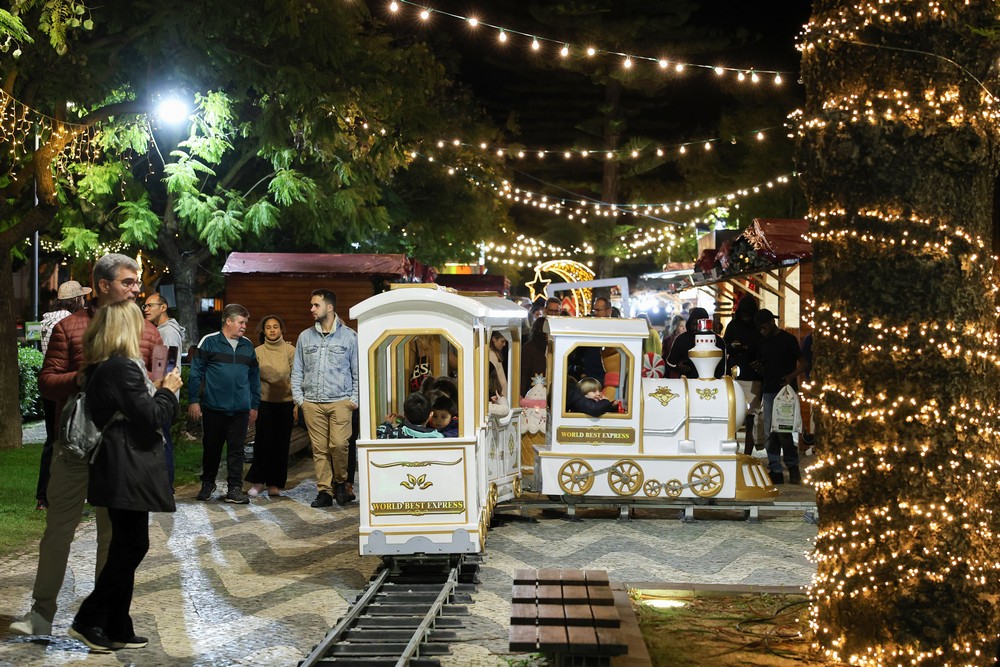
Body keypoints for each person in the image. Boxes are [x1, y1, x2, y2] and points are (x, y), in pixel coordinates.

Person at [11, 254, 161, 638]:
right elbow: (47, 381)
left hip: (120, 452)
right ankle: (41, 613)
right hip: (75, 447)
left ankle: (102, 620)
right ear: (102, 284)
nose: (136, 289)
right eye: (128, 282)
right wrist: (84, 379)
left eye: (136, 282)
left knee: (113, 537)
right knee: (58, 530)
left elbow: (156, 383)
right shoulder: (71, 326)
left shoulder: (147, 332)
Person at [67, 301, 182, 653]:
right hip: (125, 465)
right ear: (124, 329)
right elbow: (151, 416)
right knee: (133, 545)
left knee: (125, 544)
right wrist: (168, 390)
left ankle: (117, 625)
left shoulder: (107, 366)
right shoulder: (121, 368)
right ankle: (89, 618)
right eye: (138, 324)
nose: (145, 331)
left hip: (119, 464)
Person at [292, 289, 360, 508]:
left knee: (339, 445)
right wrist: (300, 400)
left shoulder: (349, 336)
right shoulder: (305, 337)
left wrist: (354, 399)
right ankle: (324, 490)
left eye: (316, 305)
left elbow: (358, 371)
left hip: (341, 401)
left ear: (329, 307)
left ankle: (341, 482)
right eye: (311, 305)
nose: (311, 309)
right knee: (319, 449)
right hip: (312, 402)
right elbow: (297, 371)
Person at [188, 303, 261, 505]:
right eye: (241, 322)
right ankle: (208, 483)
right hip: (214, 408)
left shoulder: (248, 346)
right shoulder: (209, 342)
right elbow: (196, 373)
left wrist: (254, 405)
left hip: (240, 410)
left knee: (237, 450)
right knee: (211, 448)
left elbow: (255, 378)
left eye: (245, 322)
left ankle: (235, 488)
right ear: (228, 321)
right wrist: (194, 400)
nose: (244, 326)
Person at [35, 280, 91, 511]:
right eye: (83, 298)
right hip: (68, 386)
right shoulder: (70, 324)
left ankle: (43, 497)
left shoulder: (46, 321)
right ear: (77, 299)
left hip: (51, 384)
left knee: (52, 441)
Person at [246, 315, 296, 497]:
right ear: (263, 331)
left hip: (286, 404)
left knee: (281, 445)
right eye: (268, 327)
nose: (272, 330)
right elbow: (253, 378)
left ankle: (275, 483)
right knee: (262, 442)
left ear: (281, 329)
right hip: (264, 403)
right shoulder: (257, 351)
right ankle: (258, 481)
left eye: (276, 326)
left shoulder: (291, 350)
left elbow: (296, 376)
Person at [751, 309, 803, 484]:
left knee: (784, 431)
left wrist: (790, 376)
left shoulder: (788, 339)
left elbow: (804, 363)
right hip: (769, 390)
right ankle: (775, 470)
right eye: (758, 327)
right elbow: (764, 367)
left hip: (786, 392)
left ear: (772, 322)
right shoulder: (762, 342)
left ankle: (793, 467)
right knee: (770, 432)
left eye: (763, 325)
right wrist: (759, 369)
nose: (761, 329)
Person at [142, 293, 186, 490]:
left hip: (163, 395)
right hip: (163, 394)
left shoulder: (167, 333)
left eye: (151, 305)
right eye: (145, 305)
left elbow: (167, 366)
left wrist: (161, 392)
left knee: (162, 440)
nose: (146, 309)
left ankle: (165, 487)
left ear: (164, 307)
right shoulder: (161, 330)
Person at [724, 296, 763, 454]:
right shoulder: (733, 325)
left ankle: (747, 453)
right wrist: (733, 347)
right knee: (733, 417)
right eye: (743, 314)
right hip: (736, 378)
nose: (745, 317)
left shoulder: (757, 327)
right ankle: (731, 450)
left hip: (754, 378)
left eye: (748, 314)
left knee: (750, 419)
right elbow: (725, 345)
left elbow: (762, 347)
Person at [666, 307, 727, 379]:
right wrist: (678, 367)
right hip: (687, 383)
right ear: (689, 323)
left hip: (712, 383)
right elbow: (669, 363)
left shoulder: (718, 341)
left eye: (698, 324)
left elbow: (723, 367)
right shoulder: (681, 339)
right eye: (693, 324)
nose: (695, 327)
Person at [376, 392, 443, 439]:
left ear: (404, 415)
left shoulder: (397, 434)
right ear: (430, 415)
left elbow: (378, 436)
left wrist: (387, 423)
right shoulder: (438, 437)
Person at [520, 316, 548, 398]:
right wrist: (521, 393)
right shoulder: (529, 348)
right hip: (533, 390)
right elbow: (524, 373)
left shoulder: (551, 346)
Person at [489, 331, 509, 399]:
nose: (504, 344)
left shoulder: (495, 354)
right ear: (494, 339)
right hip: (499, 394)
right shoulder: (491, 355)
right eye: (502, 341)